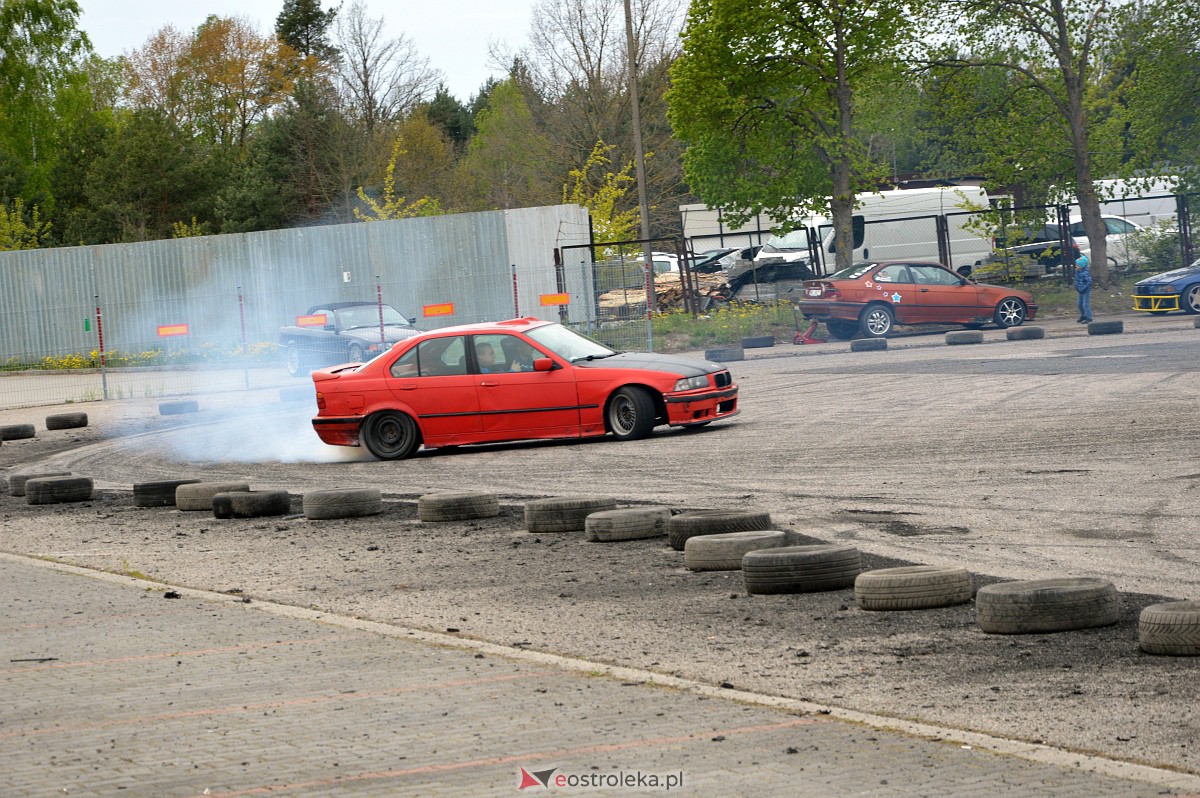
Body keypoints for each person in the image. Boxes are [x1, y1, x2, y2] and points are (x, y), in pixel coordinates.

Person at [1074, 253, 1092, 323]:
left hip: (1085, 290)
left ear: (1082, 266)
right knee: (1079, 304)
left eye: (1077, 265)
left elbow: (1089, 282)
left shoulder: (1085, 273)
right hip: (1079, 290)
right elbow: (1076, 280)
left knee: (1085, 304)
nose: (1076, 266)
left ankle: (1089, 317)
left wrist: (1085, 287)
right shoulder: (1078, 272)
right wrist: (1076, 286)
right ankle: (1083, 315)